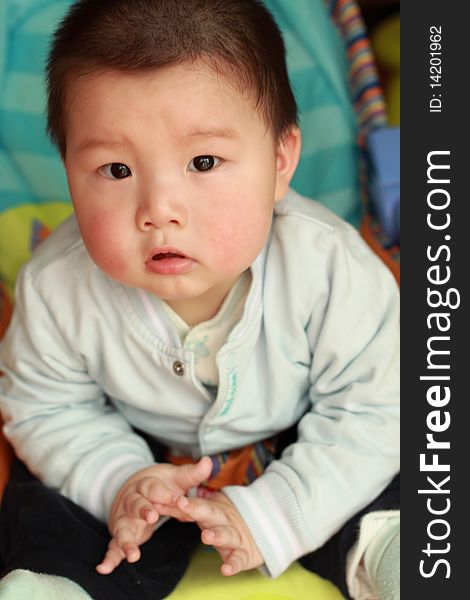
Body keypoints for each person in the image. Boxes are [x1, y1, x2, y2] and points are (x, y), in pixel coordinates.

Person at [0, 1, 400, 599]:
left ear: (280, 161)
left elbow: (375, 410)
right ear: (68, 172)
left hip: (306, 440)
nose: (159, 209)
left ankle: (392, 552)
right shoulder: (56, 287)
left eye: (204, 162)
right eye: (114, 169)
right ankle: (54, 585)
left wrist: (276, 512)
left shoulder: (330, 268)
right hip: (142, 456)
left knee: (404, 471)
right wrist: (120, 481)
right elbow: (45, 408)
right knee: (43, 503)